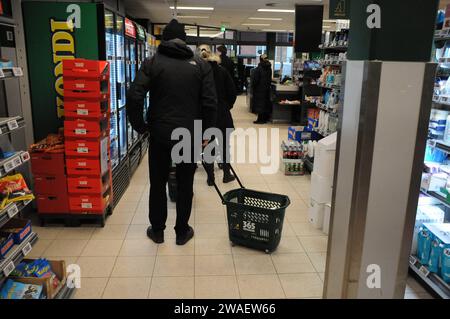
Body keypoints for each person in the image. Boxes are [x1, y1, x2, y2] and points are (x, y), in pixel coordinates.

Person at [126, 19, 217, 246]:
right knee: (186, 183)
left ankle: (157, 231)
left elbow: (134, 96)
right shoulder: (201, 65)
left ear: (164, 39)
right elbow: (210, 104)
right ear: (185, 40)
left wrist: (141, 127)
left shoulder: (153, 62)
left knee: (157, 183)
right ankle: (181, 231)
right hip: (188, 134)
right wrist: (207, 135)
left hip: (159, 133)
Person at [197, 45, 237, 186]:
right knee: (225, 145)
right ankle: (226, 173)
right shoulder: (223, 72)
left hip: (205, 115)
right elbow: (232, 92)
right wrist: (227, 106)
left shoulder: (198, 73)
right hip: (222, 113)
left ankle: (210, 177)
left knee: (208, 145)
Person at [252, 54, 273, 124]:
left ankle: (260, 120)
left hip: (259, 89)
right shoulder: (269, 68)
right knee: (265, 103)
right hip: (267, 88)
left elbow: (255, 80)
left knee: (259, 104)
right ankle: (265, 119)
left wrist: (253, 86)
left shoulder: (259, 68)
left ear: (260, 59)